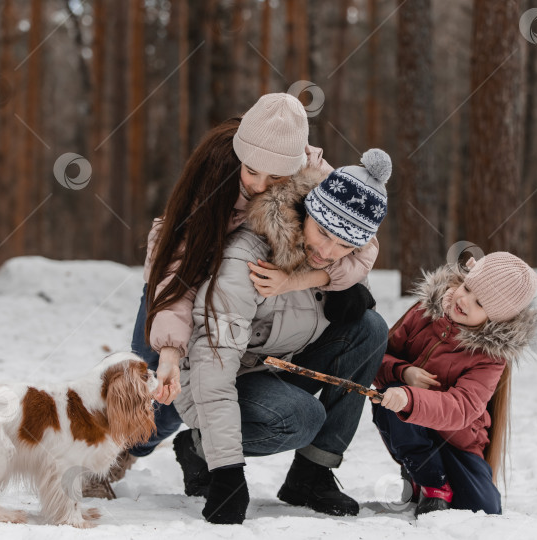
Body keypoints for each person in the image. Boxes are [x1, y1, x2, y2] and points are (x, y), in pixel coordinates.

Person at [82, 94, 380, 499]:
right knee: (158, 388)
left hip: (243, 303)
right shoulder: (214, 178)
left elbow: (363, 244)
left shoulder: (313, 172)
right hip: (180, 282)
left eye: (275, 179)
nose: (258, 186)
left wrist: (313, 277)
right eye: (252, 171)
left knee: (367, 328)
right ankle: (106, 454)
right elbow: (176, 272)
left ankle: (307, 471)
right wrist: (171, 350)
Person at [173, 150, 393, 524]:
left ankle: (311, 474)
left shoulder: (333, 262)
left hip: (279, 362)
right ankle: (198, 446)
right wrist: (226, 470)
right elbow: (214, 362)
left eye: (344, 245)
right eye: (323, 233)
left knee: (369, 328)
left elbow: (348, 261)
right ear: (308, 210)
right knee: (303, 417)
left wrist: (327, 283)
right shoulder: (247, 260)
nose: (327, 252)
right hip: (220, 379)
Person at [371, 252, 537, 516]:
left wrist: (411, 399)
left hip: (457, 439)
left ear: (496, 319)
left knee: (482, 508)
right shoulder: (424, 312)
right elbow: (377, 357)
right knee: (390, 397)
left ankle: (431, 473)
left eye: (480, 303)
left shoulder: (489, 357)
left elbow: (463, 408)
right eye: (468, 287)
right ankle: (428, 478)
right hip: (411, 426)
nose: (464, 300)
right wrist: (404, 373)